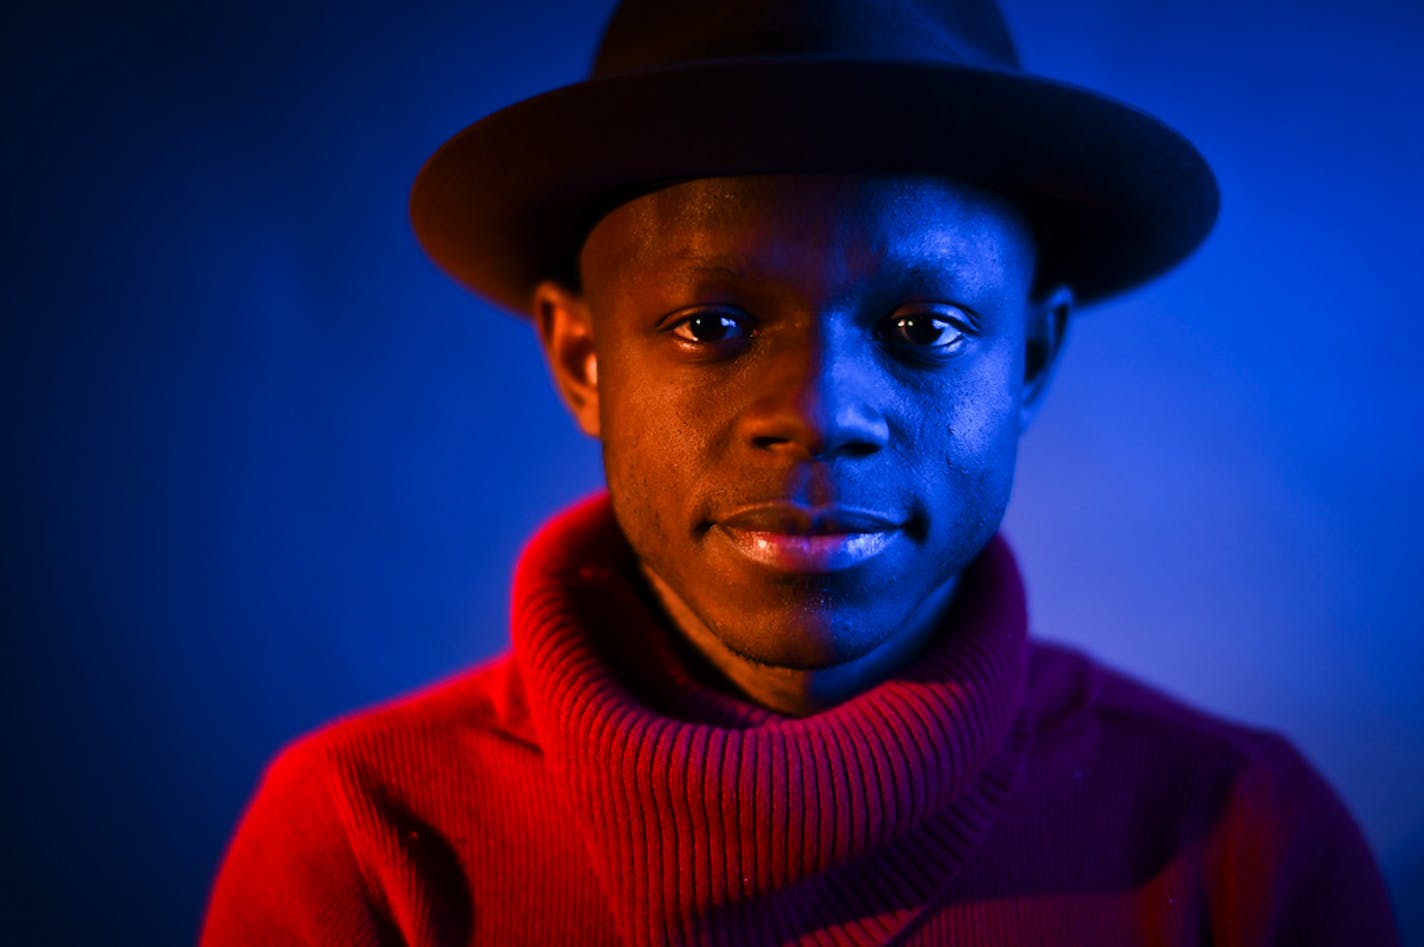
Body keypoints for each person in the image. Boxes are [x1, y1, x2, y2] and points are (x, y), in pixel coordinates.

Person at [202, 0, 1401, 944]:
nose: (821, 416)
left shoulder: (1240, 836)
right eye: (710, 325)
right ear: (580, 359)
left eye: (924, 329)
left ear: (1028, 359)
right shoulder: (368, 838)